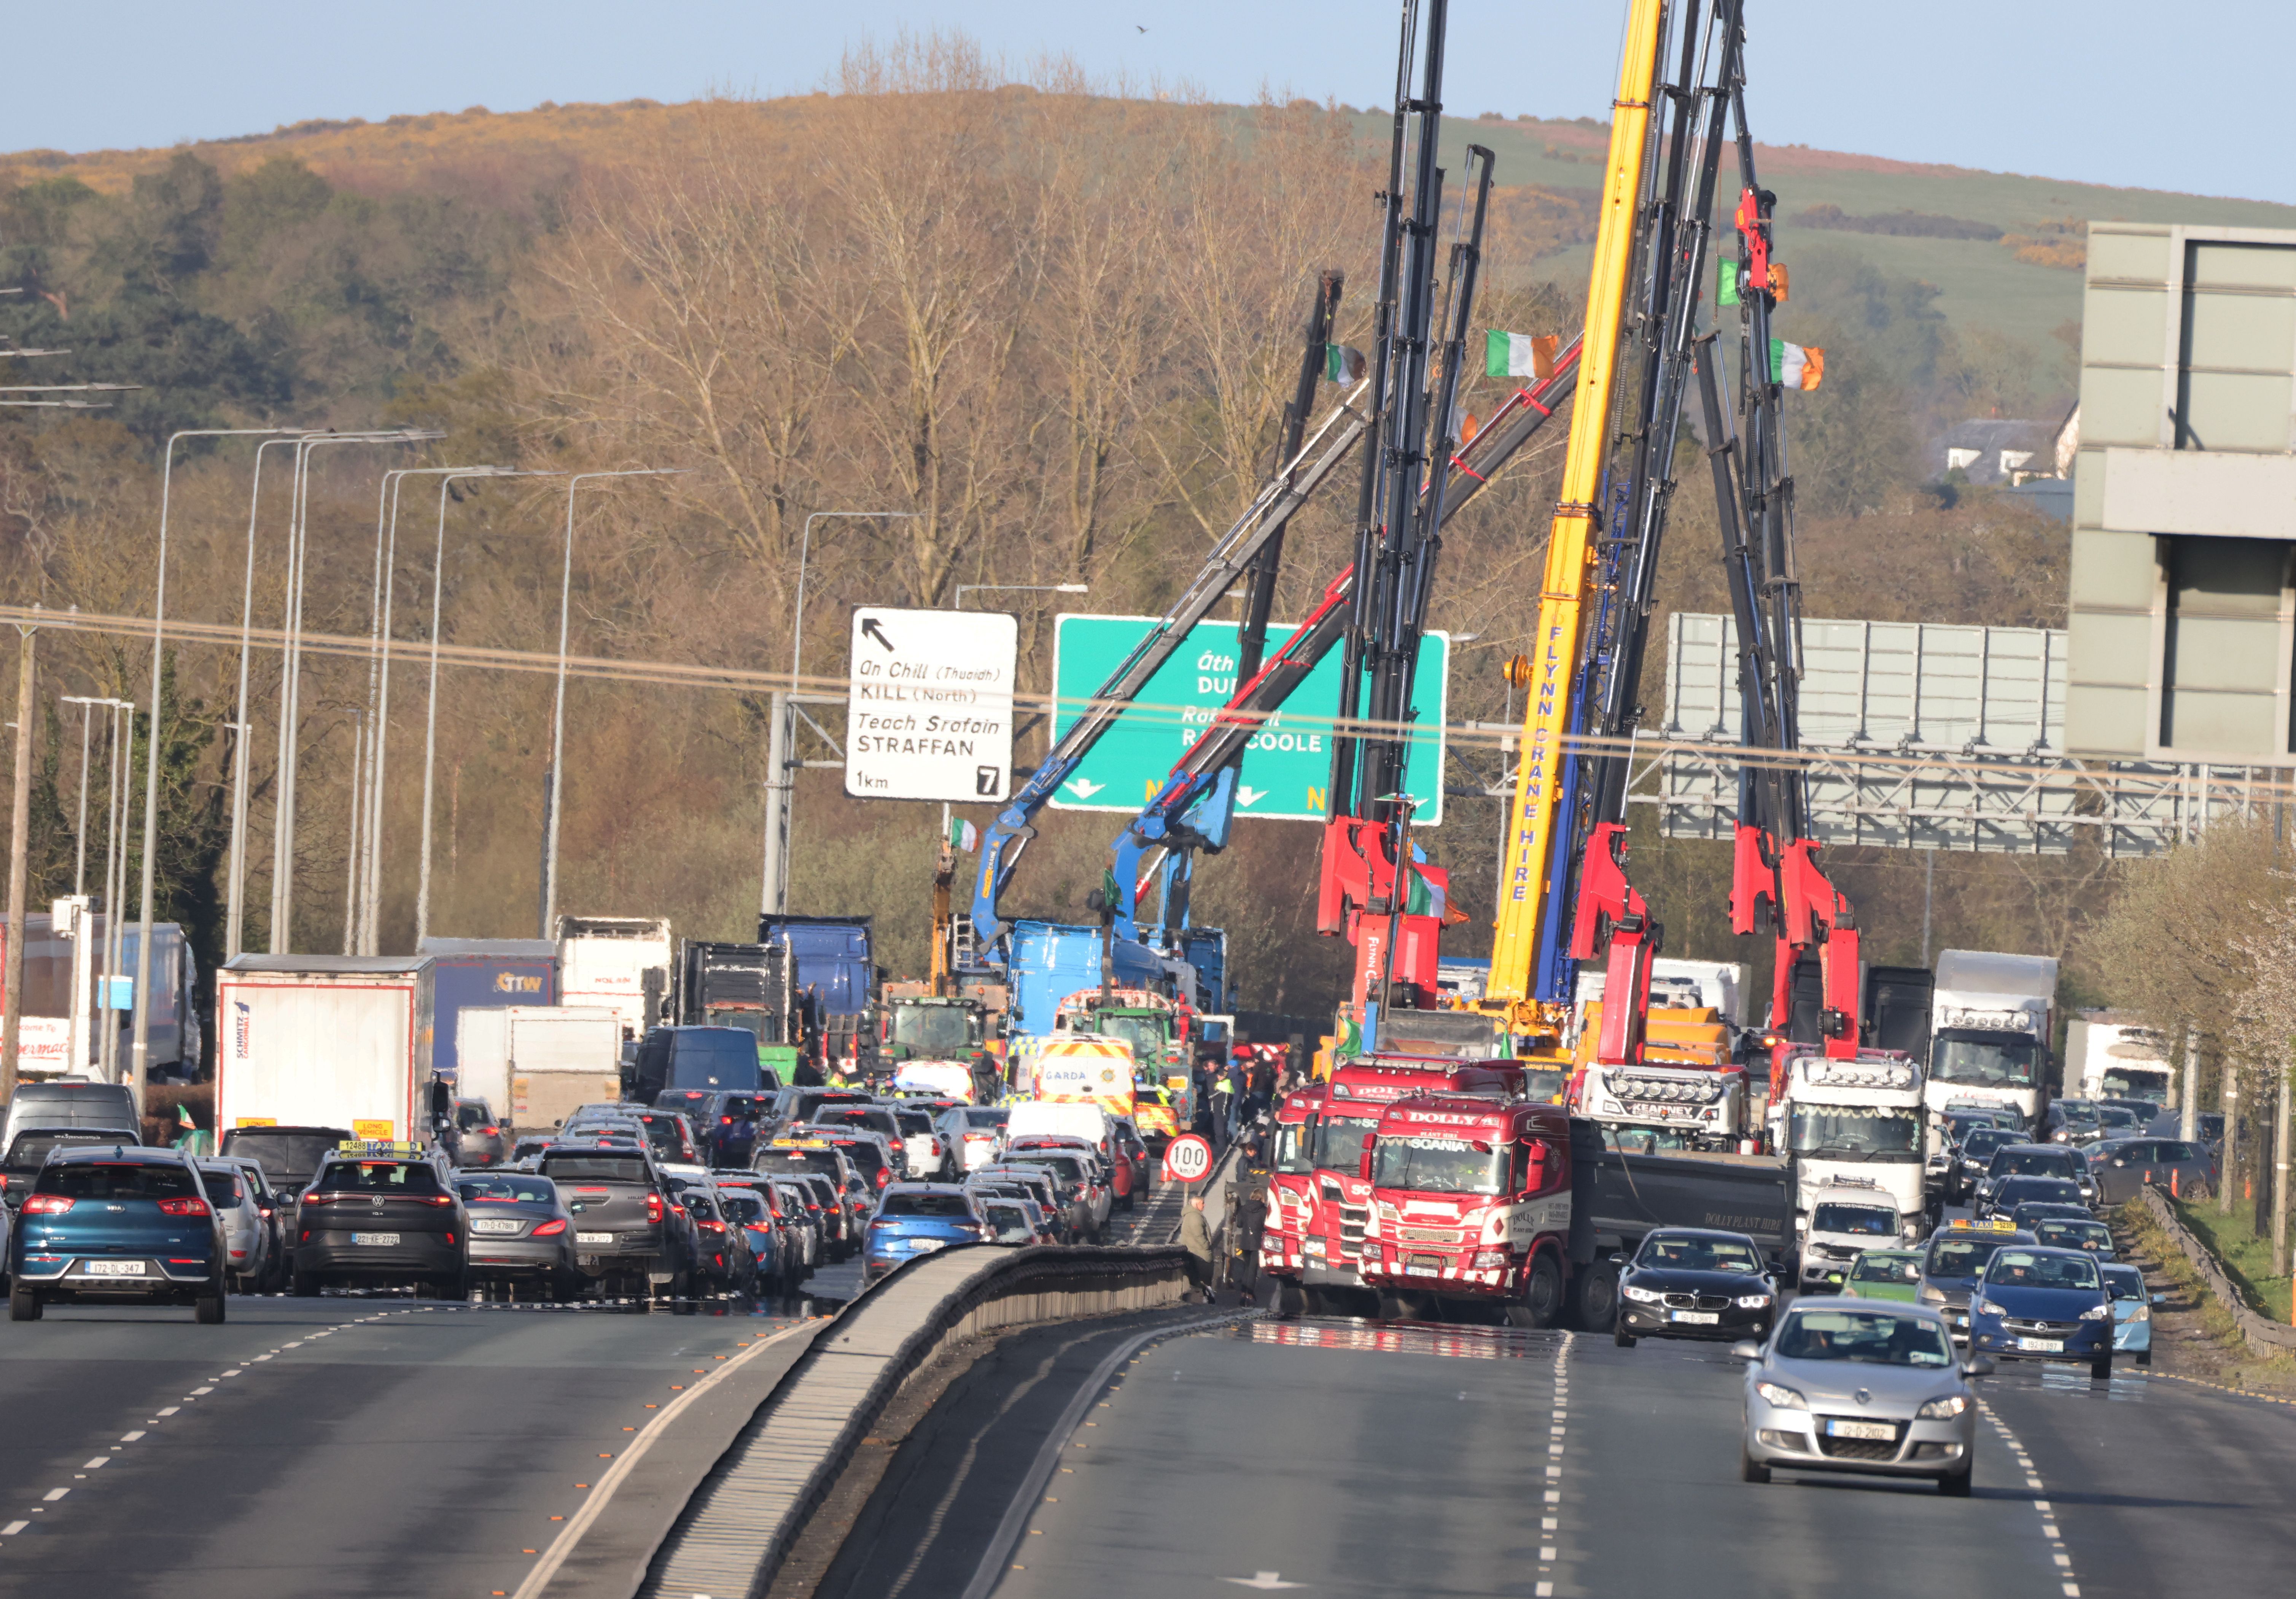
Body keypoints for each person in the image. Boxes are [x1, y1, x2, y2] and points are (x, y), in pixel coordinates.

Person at [1180, 1192, 1214, 1299]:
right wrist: (1206, 1246)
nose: (1204, 1205)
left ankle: (1204, 1298)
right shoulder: (1196, 1217)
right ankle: (1207, 1299)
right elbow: (1199, 1235)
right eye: (1202, 1203)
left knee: (1197, 1278)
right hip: (1200, 1253)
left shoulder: (1192, 1215)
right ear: (1196, 1204)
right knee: (1204, 1279)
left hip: (1194, 1251)